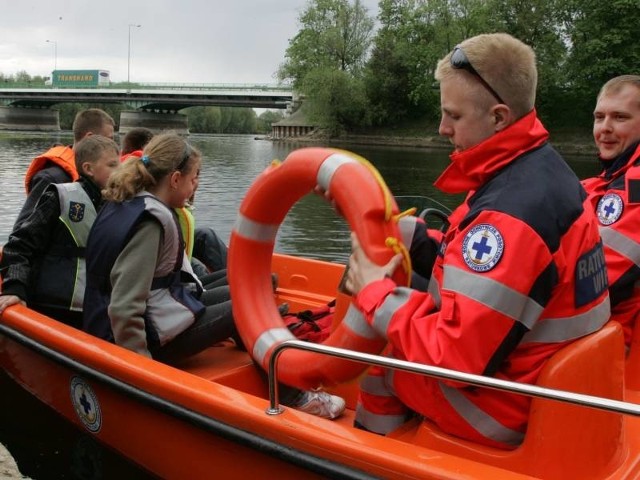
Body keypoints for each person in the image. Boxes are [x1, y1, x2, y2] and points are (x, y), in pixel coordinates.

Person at [343, 33, 610, 448]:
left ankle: (370, 460)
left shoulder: (511, 216)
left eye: (453, 115)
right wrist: (422, 238)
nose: (442, 127)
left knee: (382, 364)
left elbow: (454, 359)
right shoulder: (535, 170)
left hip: (505, 407)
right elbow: (482, 268)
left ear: (499, 117)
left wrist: (375, 294)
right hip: (549, 383)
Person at [81, 133, 344, 418]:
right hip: (145, 340)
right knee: (246, 308)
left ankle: (259, 349)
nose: (196, 186)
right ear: (175, 179)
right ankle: (295, 396)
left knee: (248, 294)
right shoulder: (150, 224)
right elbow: (124, 306)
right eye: (194, 178)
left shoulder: (128, 203)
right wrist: (144, 371)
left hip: (150, 317)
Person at [0, 135, 120, 328]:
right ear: (89, 168)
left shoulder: (118, 206)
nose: (120, 171)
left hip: (94, 308)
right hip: (51, 305)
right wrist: (14, 288)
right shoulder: (60, 197)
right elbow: (20, 245)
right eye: (112, 165)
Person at [582, 75, 640, 348]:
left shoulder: (635, 186)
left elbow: (600, 279)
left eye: (619, 117)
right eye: (599, 117)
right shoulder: (601, 183)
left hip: (614, 342)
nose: (605, 128)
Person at [14, 108, 116, 229]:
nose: (114, 145)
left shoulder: (99, 176)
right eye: (109, 139)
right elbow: (22, 232)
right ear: (89, 138)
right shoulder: (52, 178)